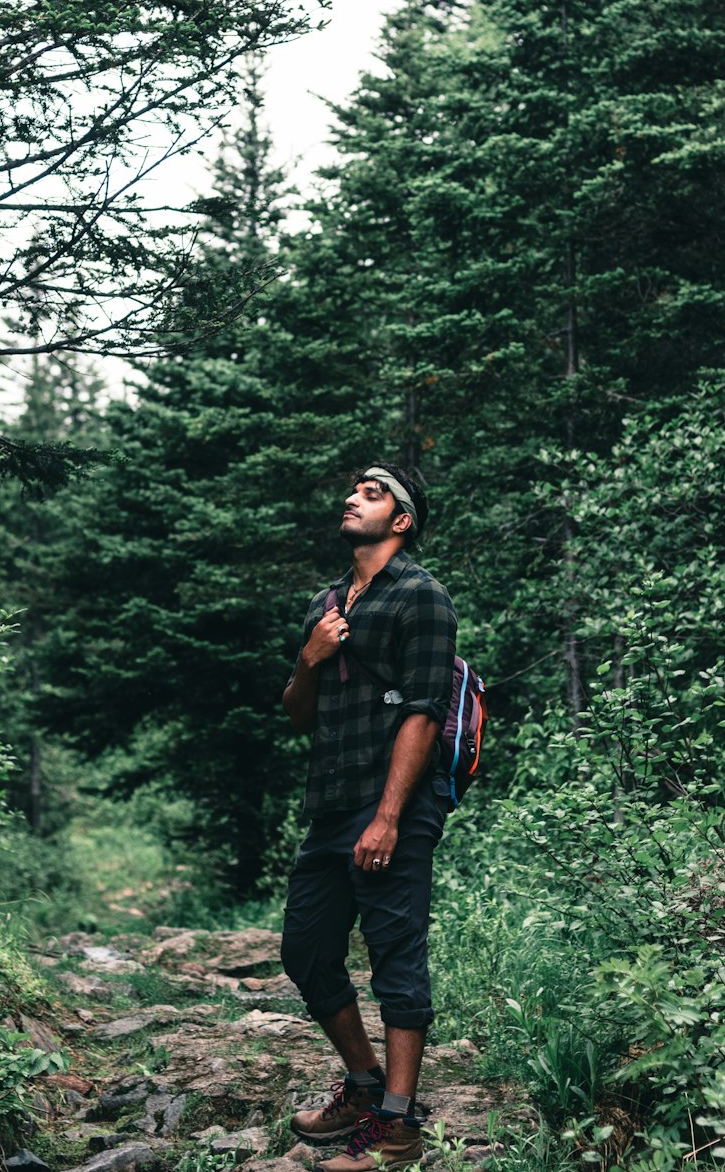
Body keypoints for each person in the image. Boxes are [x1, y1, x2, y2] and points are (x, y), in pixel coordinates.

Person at [280, 463, 457, 1172]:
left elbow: (425, 710)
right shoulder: (326, 603)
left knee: (396, 961)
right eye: (355, 490)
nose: (354, 498)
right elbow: (298, 714)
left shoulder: (423, 598)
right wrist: (310, 656)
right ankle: (363, 1084)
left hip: (396, 808)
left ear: (403, 520)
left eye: (373, 493)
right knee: (306, 951)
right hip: (328, 804)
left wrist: (386, 818)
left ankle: (398, 1128)